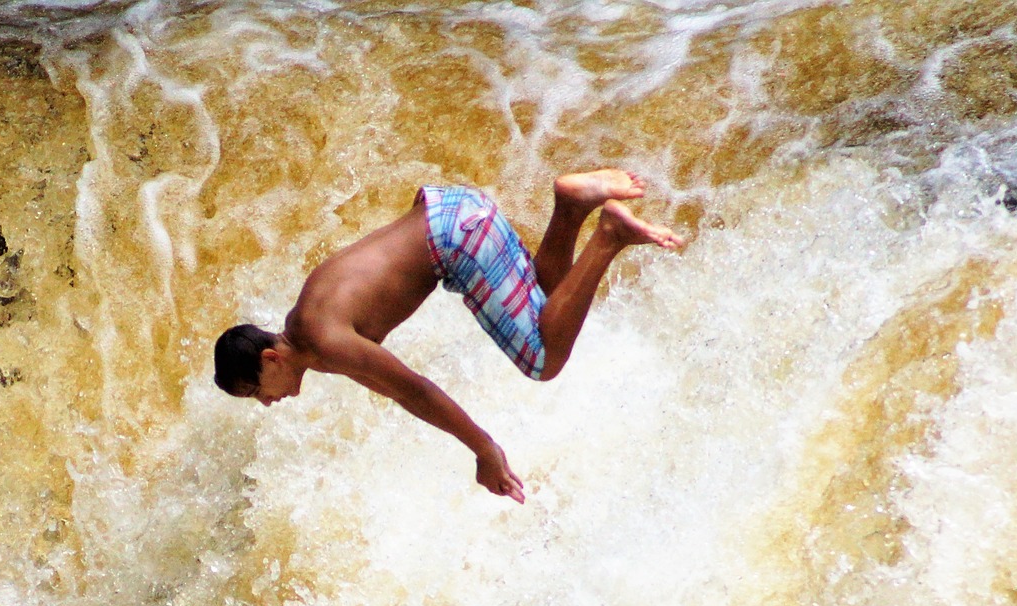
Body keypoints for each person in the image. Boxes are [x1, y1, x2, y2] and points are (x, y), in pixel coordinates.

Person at [212, 170, 685, 503]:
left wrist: (484, 450)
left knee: (542, 359)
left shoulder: (325, 340)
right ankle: (572, 204)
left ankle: (608, 234)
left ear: (271, 358)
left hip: (455, 238)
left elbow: (414, 390)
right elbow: (396, 392)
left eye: (257, 390)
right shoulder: (307, 320)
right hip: (450, 211)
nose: (267, 403)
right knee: (546, 304)